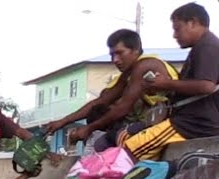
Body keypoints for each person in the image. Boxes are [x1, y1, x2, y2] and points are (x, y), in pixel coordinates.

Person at [45, 29, 180, 150]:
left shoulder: (145, 65)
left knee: (113, 144)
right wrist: (63, 121)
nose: (115, 60)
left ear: (136, 50)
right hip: (157, 123)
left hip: (174, 122)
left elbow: (123, 107)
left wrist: (89, 128)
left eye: (120, 53)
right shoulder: (128, 73)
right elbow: (103, 100)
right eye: (112, 55)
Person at [121, 3, 219, 160]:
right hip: (189, 121)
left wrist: (165, 83)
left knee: (129, 150)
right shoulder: (204, 46)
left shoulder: (207, 46)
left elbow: (206, 85)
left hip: (192, 124)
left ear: (192, 22)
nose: (174, 35)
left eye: (177, 29)